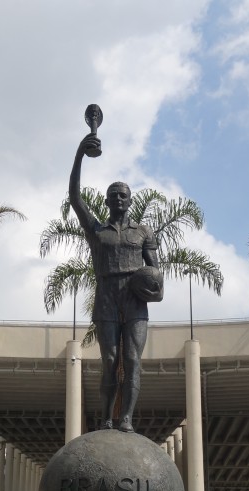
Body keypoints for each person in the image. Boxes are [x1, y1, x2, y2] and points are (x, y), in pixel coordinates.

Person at [69, 132, 161, 433]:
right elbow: (75, 198)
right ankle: (107, 418)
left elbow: (155, 270)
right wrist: (80, 154)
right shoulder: (97, 230)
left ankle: (126, 419)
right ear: (107, 201)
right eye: (114, 195)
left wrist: (153, 288)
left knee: (132, 360)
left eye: (123, 195)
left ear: (130, 201)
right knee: (109, 361)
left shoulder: (143, 232)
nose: (118, 199)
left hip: (134, 299)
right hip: (107, 294)